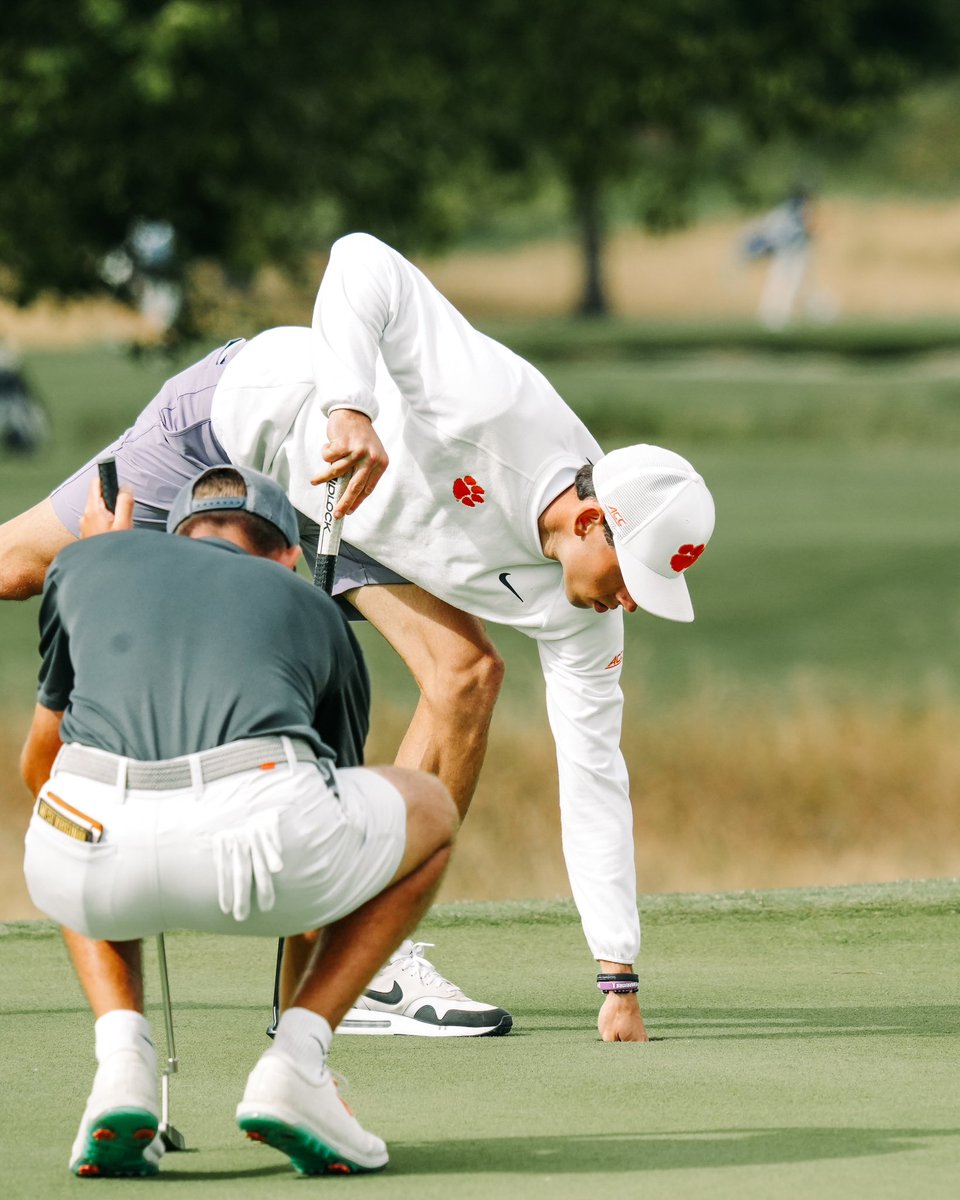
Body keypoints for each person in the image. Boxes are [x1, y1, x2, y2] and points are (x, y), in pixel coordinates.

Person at [2, 232, 716, 1043]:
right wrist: (351, 406)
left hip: (351, 519)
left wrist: (617, 974)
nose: (627, 600)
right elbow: (362, 259)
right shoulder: (491, 407)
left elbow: (595, 768)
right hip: (240, 425)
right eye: (629, 575)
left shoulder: (584, 608)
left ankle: (363, 962)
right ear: (591, 519)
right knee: (17, 567)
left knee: (466, 674)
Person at [20, 465, 459, 1177]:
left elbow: (37, 769)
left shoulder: (83, 561)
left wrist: (94, 556)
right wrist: (296, 1027)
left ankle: (120, 1066)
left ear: (176, 533)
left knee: (74, 802)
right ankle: (297, 1067)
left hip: (88, 853)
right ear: (287, 552)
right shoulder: (310, 605)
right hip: (261, 847)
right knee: (431, 809)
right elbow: (334, 806)